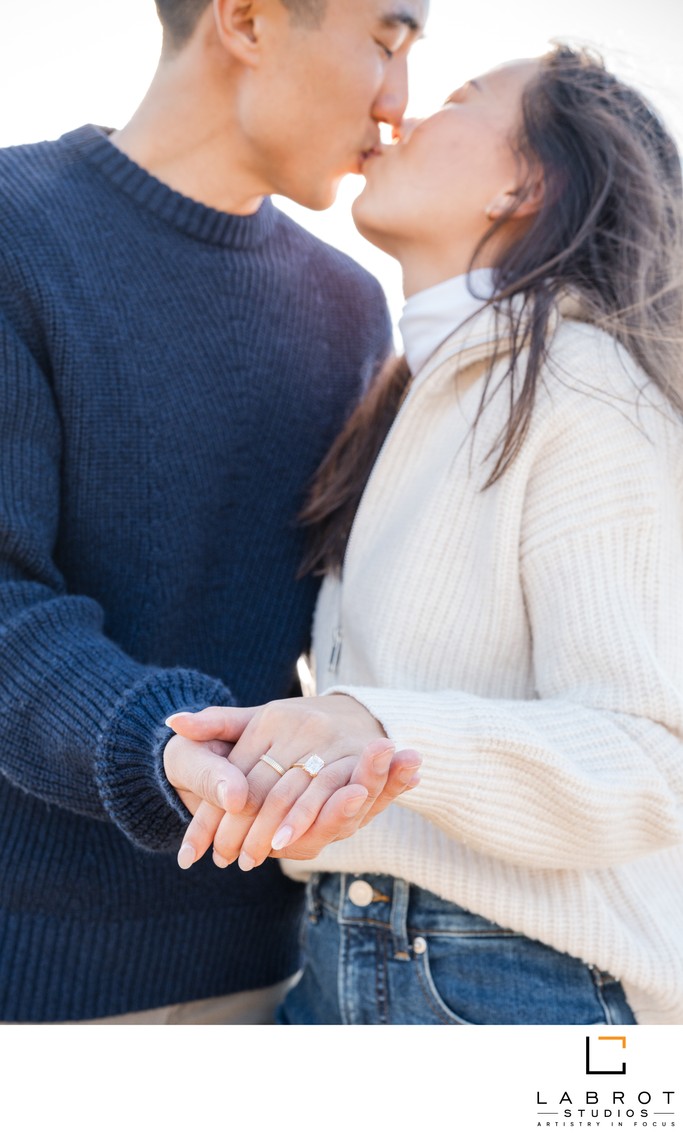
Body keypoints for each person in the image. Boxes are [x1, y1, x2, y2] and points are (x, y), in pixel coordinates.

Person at [166, 45, 683, 1024]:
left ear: (524, 179)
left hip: (516, 982)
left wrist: (376, 727)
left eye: (457, 98)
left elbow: (651, 756)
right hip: (348, 952)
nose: (399, 115)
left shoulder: (582, 386)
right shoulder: (410, 395)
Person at [0, 0, 429, 1024]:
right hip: (33, 978)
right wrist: (162, 745)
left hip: (275, 970)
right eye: (387, 40)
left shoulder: (348, 305)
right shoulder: (16, 229)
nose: (398, 104)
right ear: (244, 19)